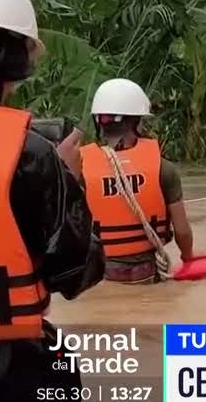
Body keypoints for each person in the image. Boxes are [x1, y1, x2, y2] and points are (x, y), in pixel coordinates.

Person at [0, 0, 105, 402]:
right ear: (6, 59)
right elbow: (77, 274)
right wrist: (71, 182)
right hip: (3, 383)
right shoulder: (31, 154)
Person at [80, 78, 195, 283]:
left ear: (98, 121)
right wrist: (188, 259)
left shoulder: (79, 168)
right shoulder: (163, 168)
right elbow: (182, 231)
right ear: (136, 121)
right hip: (147, 272)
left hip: (100, 276)